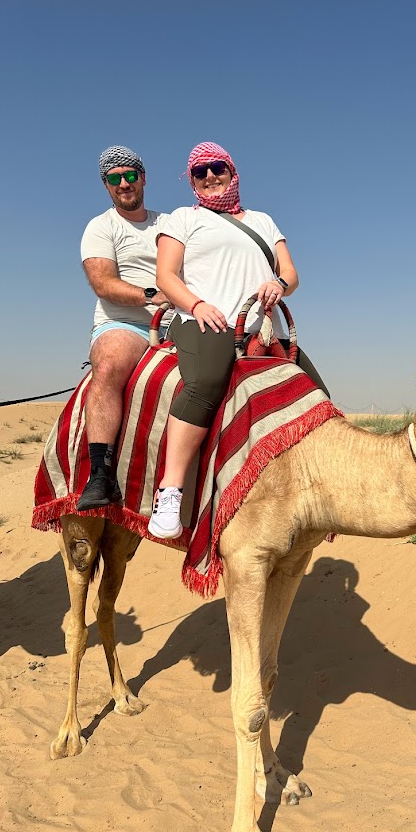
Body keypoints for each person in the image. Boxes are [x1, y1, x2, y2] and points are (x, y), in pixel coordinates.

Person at [147, 141, 328, 540]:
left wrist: (278, 284)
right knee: (207, 381)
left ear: (232, 172)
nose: (210, 176)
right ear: (192, 180)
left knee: (318, 395)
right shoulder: (182, 219)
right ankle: (170, 489)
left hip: (262, 328)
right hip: (204, 320)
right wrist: (196, 305)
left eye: (218, 168)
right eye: (200, 172)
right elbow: (166, 277)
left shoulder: (263, 221)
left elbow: (291, 274)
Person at [77, 145, 172, 511]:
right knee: (109, 367)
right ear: (106, 185)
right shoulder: (101, 227)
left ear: (143, 178)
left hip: (179, 321)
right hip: (125, 322)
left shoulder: (170, 224)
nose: (124, 184)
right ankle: (100, 475)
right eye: (114, 178)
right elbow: (103, 283)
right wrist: (152, 296)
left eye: (130, 175)